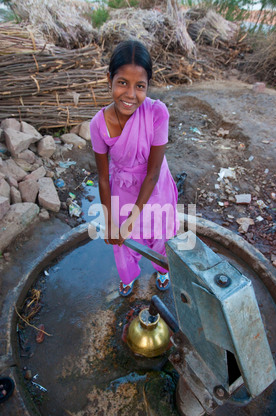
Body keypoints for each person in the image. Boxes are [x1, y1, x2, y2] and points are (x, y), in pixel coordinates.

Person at [90, 40, 178, 297]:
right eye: (122, 83)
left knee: (159, 235)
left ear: (148, 85)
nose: (130, 95)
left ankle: (163, 271)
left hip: (155, 186)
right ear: (110, 80)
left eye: (139, 86)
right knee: (125, 241)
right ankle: (128, 277)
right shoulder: (98, 124)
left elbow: (152, 174)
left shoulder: (156, 113)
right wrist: (110, 221)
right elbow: (103, 178)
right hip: (123, 188)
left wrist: (133, 218)